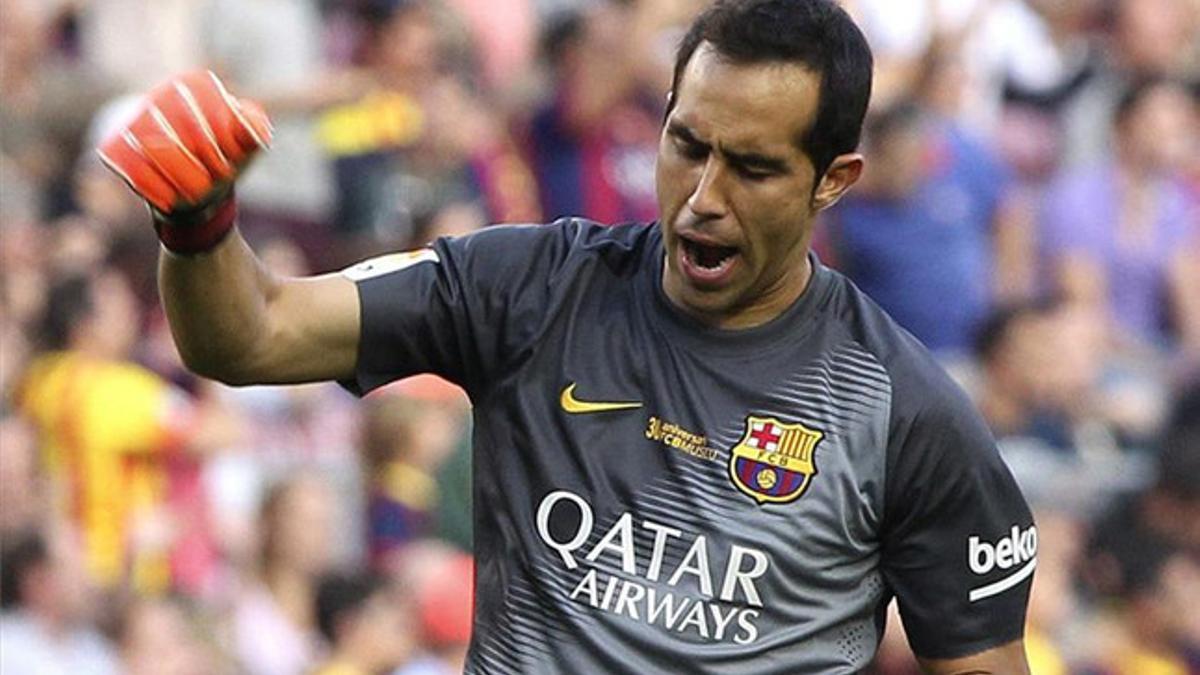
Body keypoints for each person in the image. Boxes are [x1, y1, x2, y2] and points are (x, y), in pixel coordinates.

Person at [96, 0, 1035, 671]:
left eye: (752, 167)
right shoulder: (529, 287)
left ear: (834, 180)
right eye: (687, 145)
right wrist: (200, 225)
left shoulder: (902, 410)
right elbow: (250, 336)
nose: (703, 200)